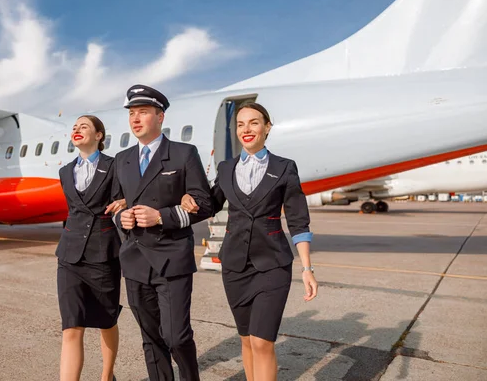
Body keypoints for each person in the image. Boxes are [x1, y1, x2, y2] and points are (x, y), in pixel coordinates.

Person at [181, 102, 319, 381]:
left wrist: (307, 269)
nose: (247, 129)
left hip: (272, 264)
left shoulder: (284, 167)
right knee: (245, 339)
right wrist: (187, 199)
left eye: (254, 122)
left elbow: (298, 220)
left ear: (267, 128)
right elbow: (210, 204)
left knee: (262, 341)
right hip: (234, 266)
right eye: (241, 124)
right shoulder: (226, 167)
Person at [111, 84, 213, 381]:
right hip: (135, 260)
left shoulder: (183, 154)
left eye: (143, 112)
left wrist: (161, 217)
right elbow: (116, 205)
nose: (135, 118)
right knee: (150, 337)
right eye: (132, 113)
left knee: (176, 336)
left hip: (172, 259)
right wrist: (123, 219)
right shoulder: (123, 159)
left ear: (160, 117)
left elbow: (204, 204)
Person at [56, 115, 127, 381]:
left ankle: (107, 376)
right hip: (69, 256)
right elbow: (75, 212)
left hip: (104, 253)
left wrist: (126, 200)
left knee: (106, 321)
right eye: (74, 127)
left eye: (83, 126)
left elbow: (127, 194)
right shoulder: (65, 172)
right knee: (71, 327)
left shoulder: (115, 165)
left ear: (99, 135)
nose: (77, 129)